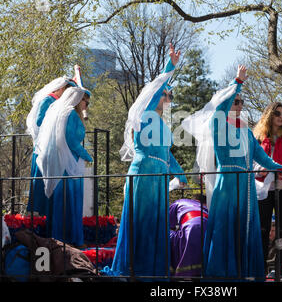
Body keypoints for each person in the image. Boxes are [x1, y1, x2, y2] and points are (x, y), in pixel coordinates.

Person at [182, 65, 282, 281]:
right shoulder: (218, 125)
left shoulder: (247, 132)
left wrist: (280, 167)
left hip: (246, 185)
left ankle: (244, 272)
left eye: (241, 102)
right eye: (235, 101)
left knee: (245, 228)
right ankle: (223, 274)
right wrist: (236, 83)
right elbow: (220, 107)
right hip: (227, 183)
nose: (239, 105)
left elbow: (262, 158)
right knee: (225, 227)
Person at [106, 44, 188, 279]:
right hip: (143, 175)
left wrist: (180, 175)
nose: (169, 96)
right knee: (140, 221)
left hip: (159, 179)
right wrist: (169, 67)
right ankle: (132, 268)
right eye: (166, 93)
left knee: (156, 223)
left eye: (171, 94)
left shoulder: (163, 124)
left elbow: (168, 155)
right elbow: (154, 93)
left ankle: (151, 270)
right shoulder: (145, 116)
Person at [35, 86, 92, 247]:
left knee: (63, 201)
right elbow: (72, 140)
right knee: (70, 201)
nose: (86, 105)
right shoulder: (71, 114)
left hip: (62, 162)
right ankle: (68, 239)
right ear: (77, 100)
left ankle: (60, 239)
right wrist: (87, 156)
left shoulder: (62, 112)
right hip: (68, 164)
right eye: (85, 102)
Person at [252, 102, 282, 277]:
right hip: (262, 188)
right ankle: (260, 269)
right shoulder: (257, 137)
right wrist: (260, 169)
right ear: (269, 116)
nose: (281, 117)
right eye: (277, 114)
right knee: (262, 229)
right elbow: (251, 161)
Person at [26, 77, 78, 218]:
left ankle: (51, 216)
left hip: (56, 150)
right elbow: (40, 121)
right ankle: (37, 217)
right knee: (41, 182)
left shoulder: (61, 103)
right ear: (61, 88)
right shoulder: (48, 100)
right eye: (68, 90)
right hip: (45, 149)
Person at [169, 196, 208, 278]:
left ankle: (183, 274)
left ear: (196, 200)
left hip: (191, 226)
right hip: (208, 227)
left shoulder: (180, 201)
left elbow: (168, 223)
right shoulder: (206, 209)